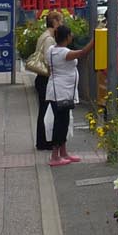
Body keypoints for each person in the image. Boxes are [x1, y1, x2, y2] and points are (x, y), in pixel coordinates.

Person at [44, 24, 95, 166]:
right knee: (60, 124)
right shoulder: (63, 53)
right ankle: (55, 156)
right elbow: (83, 53)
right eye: (70, 34)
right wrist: (96, 40)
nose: (72, 36)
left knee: (64, 122)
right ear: (66, 37)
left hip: (56, 90)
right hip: (62, 91)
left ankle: (63, 153)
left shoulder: (51, 50)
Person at [34, 12, 64, 152]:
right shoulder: (49, 39)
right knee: (46, 110)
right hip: (45, 78)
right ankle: (44, 141)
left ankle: (43, 140)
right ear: (55, 22)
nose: (62, 24)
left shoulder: (44, 36)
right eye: (61, 21)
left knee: (44, 109)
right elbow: (48, 60)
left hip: (41, 78)